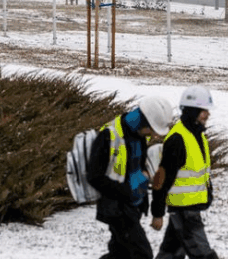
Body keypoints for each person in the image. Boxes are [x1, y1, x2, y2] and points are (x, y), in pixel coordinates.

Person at [88, 96, 175, 259]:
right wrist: (127, 191)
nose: (155, 136)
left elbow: (134, 168)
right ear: (146, 123)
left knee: (120, 254)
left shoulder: (139, 135)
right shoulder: (109, 135)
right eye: (154, 130)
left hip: (133, 207)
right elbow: (94, 176)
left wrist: (145, 176)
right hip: (118, 209)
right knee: (142, 254)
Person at [151, 86, 218, 259]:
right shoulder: (178, 139)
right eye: (204, 111)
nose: (207, 114)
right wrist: (157, 213)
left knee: (170, 254)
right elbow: (162, 179)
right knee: (204, 255)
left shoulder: (197, 135)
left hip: (189, 209)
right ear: (192, 111)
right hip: (184, 212)